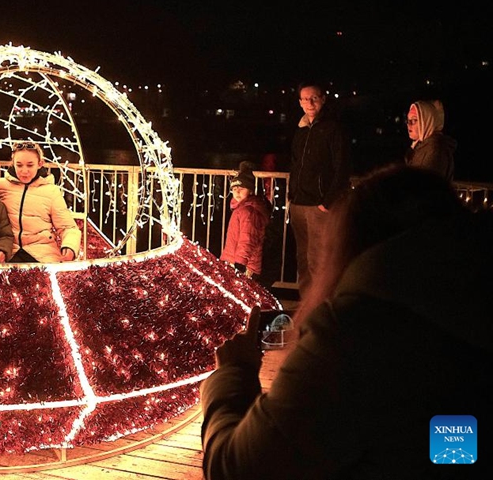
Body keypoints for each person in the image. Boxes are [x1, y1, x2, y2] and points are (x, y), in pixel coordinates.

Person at [200, 165, 493, 479]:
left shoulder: (350, 336)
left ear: (351, 243)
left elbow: (236, 468)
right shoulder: (469, 307)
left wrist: (233, 374)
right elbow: (451, 449)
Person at [288, 81, 352, 297]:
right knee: (302, 259)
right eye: (305, 99)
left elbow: (341, 166)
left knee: (318, 259)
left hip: (318, 205)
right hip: (298, 203)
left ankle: (321, 304)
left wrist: (327, 201)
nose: (309, 102)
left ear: (323, 99)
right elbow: (296, 163)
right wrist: (291, 196)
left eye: (313, 97)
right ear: (299, 102)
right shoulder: (301, 129)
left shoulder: (332, 129)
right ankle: (307, 303)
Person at [0, 141, 81, 263]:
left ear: (40, 164)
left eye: (30, 165)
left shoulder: (51, 191)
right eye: (19, 165)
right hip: (9, 252)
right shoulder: (0, 186)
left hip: (42, 255)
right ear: (13, 164)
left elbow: (68, 227)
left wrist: (70, 246)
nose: (24, 171)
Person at [220, 162, 271, 281]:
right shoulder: (240, 209)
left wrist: (240, 264)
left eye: (241, 189)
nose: (237, 192)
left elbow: (247, 239)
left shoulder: (248, 212)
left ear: (250, 191)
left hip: (245, 266)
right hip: (235, 261)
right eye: (234, 189)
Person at [405, 99, 457, 181]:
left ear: (426, 121)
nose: (409, 125)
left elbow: (427, 185)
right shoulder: (420, 147)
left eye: (414, 120)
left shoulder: (435, 149)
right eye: (408, 120)